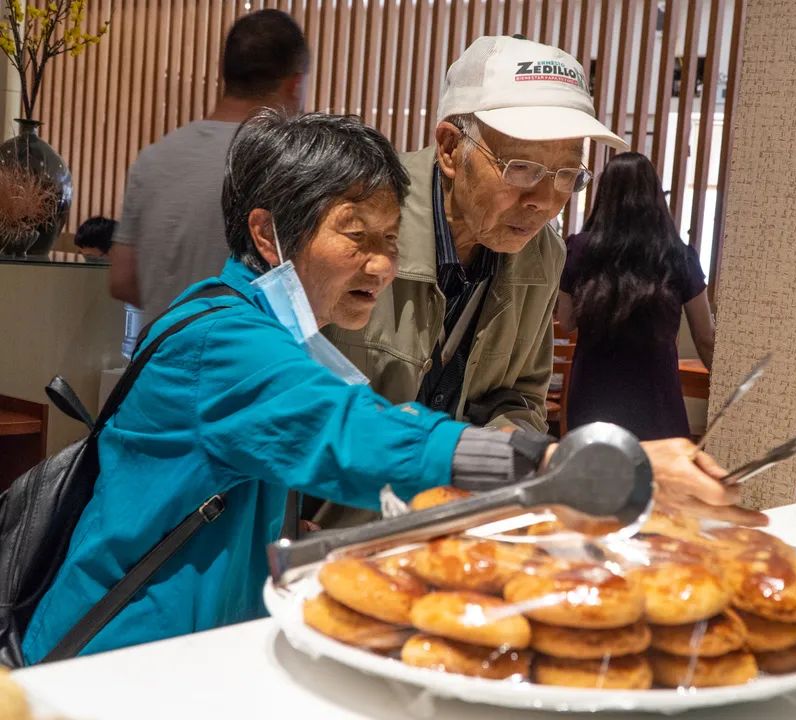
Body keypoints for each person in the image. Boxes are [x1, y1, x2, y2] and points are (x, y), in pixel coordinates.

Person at [19, 111, 739, 664]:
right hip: (116, 665)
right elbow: (352, 431)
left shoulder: (263, 322)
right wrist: (564, 465)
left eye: (391, 239)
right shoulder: (225, 340)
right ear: (268, 234)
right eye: (356, 235)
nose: (381, 265)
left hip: (193, 648)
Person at [321, 35, 627, 527]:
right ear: (450, 148)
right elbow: (288, 389)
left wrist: (505, 450)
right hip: (323, 525)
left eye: (568, 175)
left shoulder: (543, 253)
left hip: (449, 526)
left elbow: (521, 394)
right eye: (522, 168)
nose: (545, 201)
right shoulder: (351, 221)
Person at [108, 9, 309, 320]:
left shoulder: (153, 159)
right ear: (294, 84)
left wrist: (177, 303)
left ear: (224, 73)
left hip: (159, 347)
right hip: (250, 350)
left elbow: (122, 280)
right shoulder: (291, 165)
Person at [555, 152, 715, 441]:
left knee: (592, 465)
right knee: (658, 467)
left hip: (593, 392)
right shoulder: (678, 255)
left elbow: (565, 321)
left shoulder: (578, 249)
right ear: (655, 194)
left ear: (604, 194)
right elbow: (705, 336)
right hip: (656, 396)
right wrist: (724, 384)